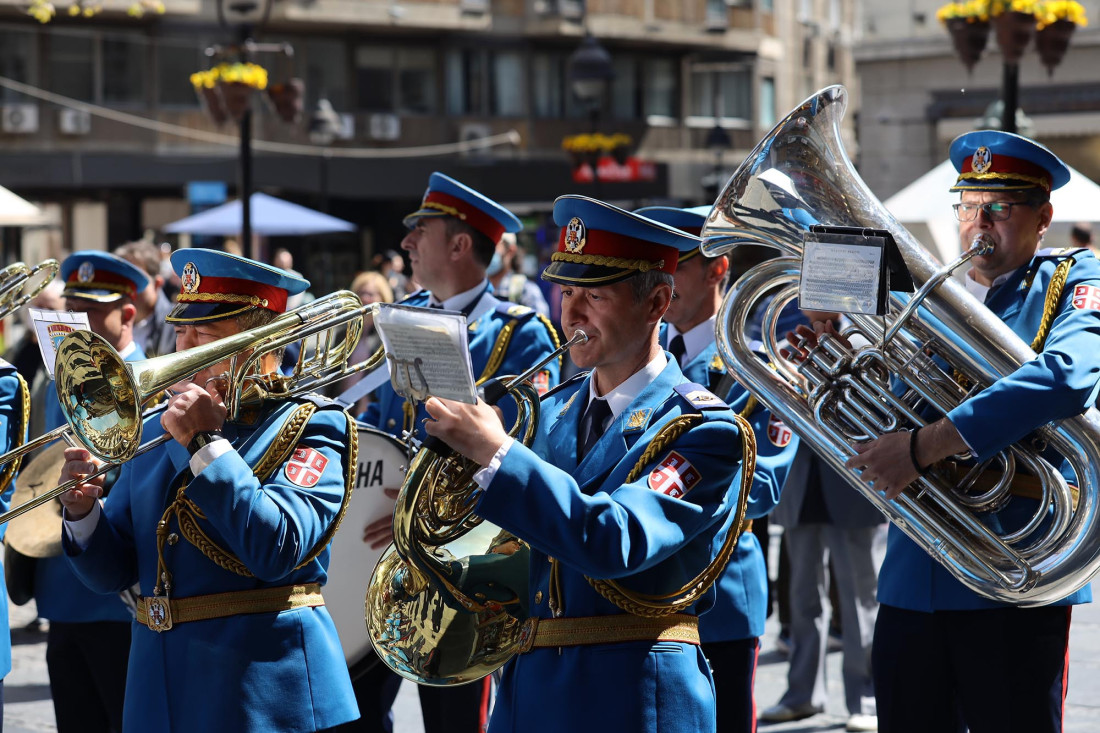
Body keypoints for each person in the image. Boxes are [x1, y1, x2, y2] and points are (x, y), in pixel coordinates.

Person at [421, 195, 749, 733]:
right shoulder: (549, 409)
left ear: (656, 303)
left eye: (594, 295)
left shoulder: (704, 429)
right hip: (528, 695)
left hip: (632, 698)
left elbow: (616, 539)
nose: (570, 314)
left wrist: (496, 454)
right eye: (567, 292)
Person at [812, 131, 1099, 732]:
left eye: (1000, 208)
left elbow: (1068, 376)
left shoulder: (1073, 278)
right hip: (913, 574)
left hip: (1013, 569)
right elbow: (884, 412)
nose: (979, 223)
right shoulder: (927, 294)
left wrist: (927, 445)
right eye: (968, 206)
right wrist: (834, 358)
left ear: (1043, 218)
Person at [57, 249, 359, 732]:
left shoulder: (313, 425)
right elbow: (114, 572)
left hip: (264, 695)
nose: (184, 352)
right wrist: (83, 512)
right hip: (159, 694)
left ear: (262, 345)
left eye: (206, 337)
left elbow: (277, 547)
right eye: (182, 333)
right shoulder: (154, 427)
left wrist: (204, 445)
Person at [357, 172, 561, 733]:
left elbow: (524, 453)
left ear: (459, 244)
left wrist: (422, 509)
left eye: (420, 231)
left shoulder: (521, 332)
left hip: (460, 567)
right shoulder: (403, 316)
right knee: (359, 711)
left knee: (455, 721)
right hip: (383, 550)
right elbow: (382, 427)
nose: (406, 243)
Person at [637, 204, 800, 733]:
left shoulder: (760, 367)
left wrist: (651, 494)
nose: (663, 282)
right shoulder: (639, 361)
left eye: (677, 267)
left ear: (718, 269)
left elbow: (764, 485)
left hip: (718, 592)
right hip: (638, 591)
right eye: (655, 269)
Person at [37, 251, 150, 733]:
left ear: (128, 313)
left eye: (93, 311)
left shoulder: (151, 381)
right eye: (73, 309)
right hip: (62, 588)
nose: (78, 322)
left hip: (119, 596)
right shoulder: (56, 383)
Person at [116, 240, 179, 358]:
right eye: (120, 280)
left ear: (157, 284)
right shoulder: (109, 322)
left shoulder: (179, 326)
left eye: (136, 280)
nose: (127, 289)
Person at [488, 232, 550, 316]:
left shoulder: (527, 291)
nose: (485, 252)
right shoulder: (475, 289)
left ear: (510, 251)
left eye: (493, 246)